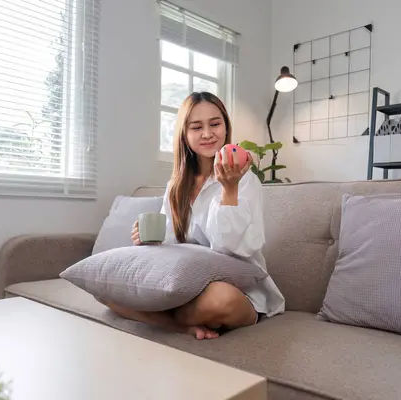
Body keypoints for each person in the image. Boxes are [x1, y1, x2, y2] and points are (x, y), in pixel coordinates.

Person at [105, 92, 285, 340]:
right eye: (196, 127)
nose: (208, 133)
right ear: (185, 134)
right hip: (184, 285)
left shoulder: (246, 180)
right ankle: (180, 325)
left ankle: (161, 317)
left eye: (215, 124)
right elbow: (170, 244)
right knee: (107, 288)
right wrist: (148, 239)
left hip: (235, 288)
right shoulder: (176, 186)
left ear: (225, 126)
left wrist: (229, 189)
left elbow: (229, 248)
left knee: (219, 299)